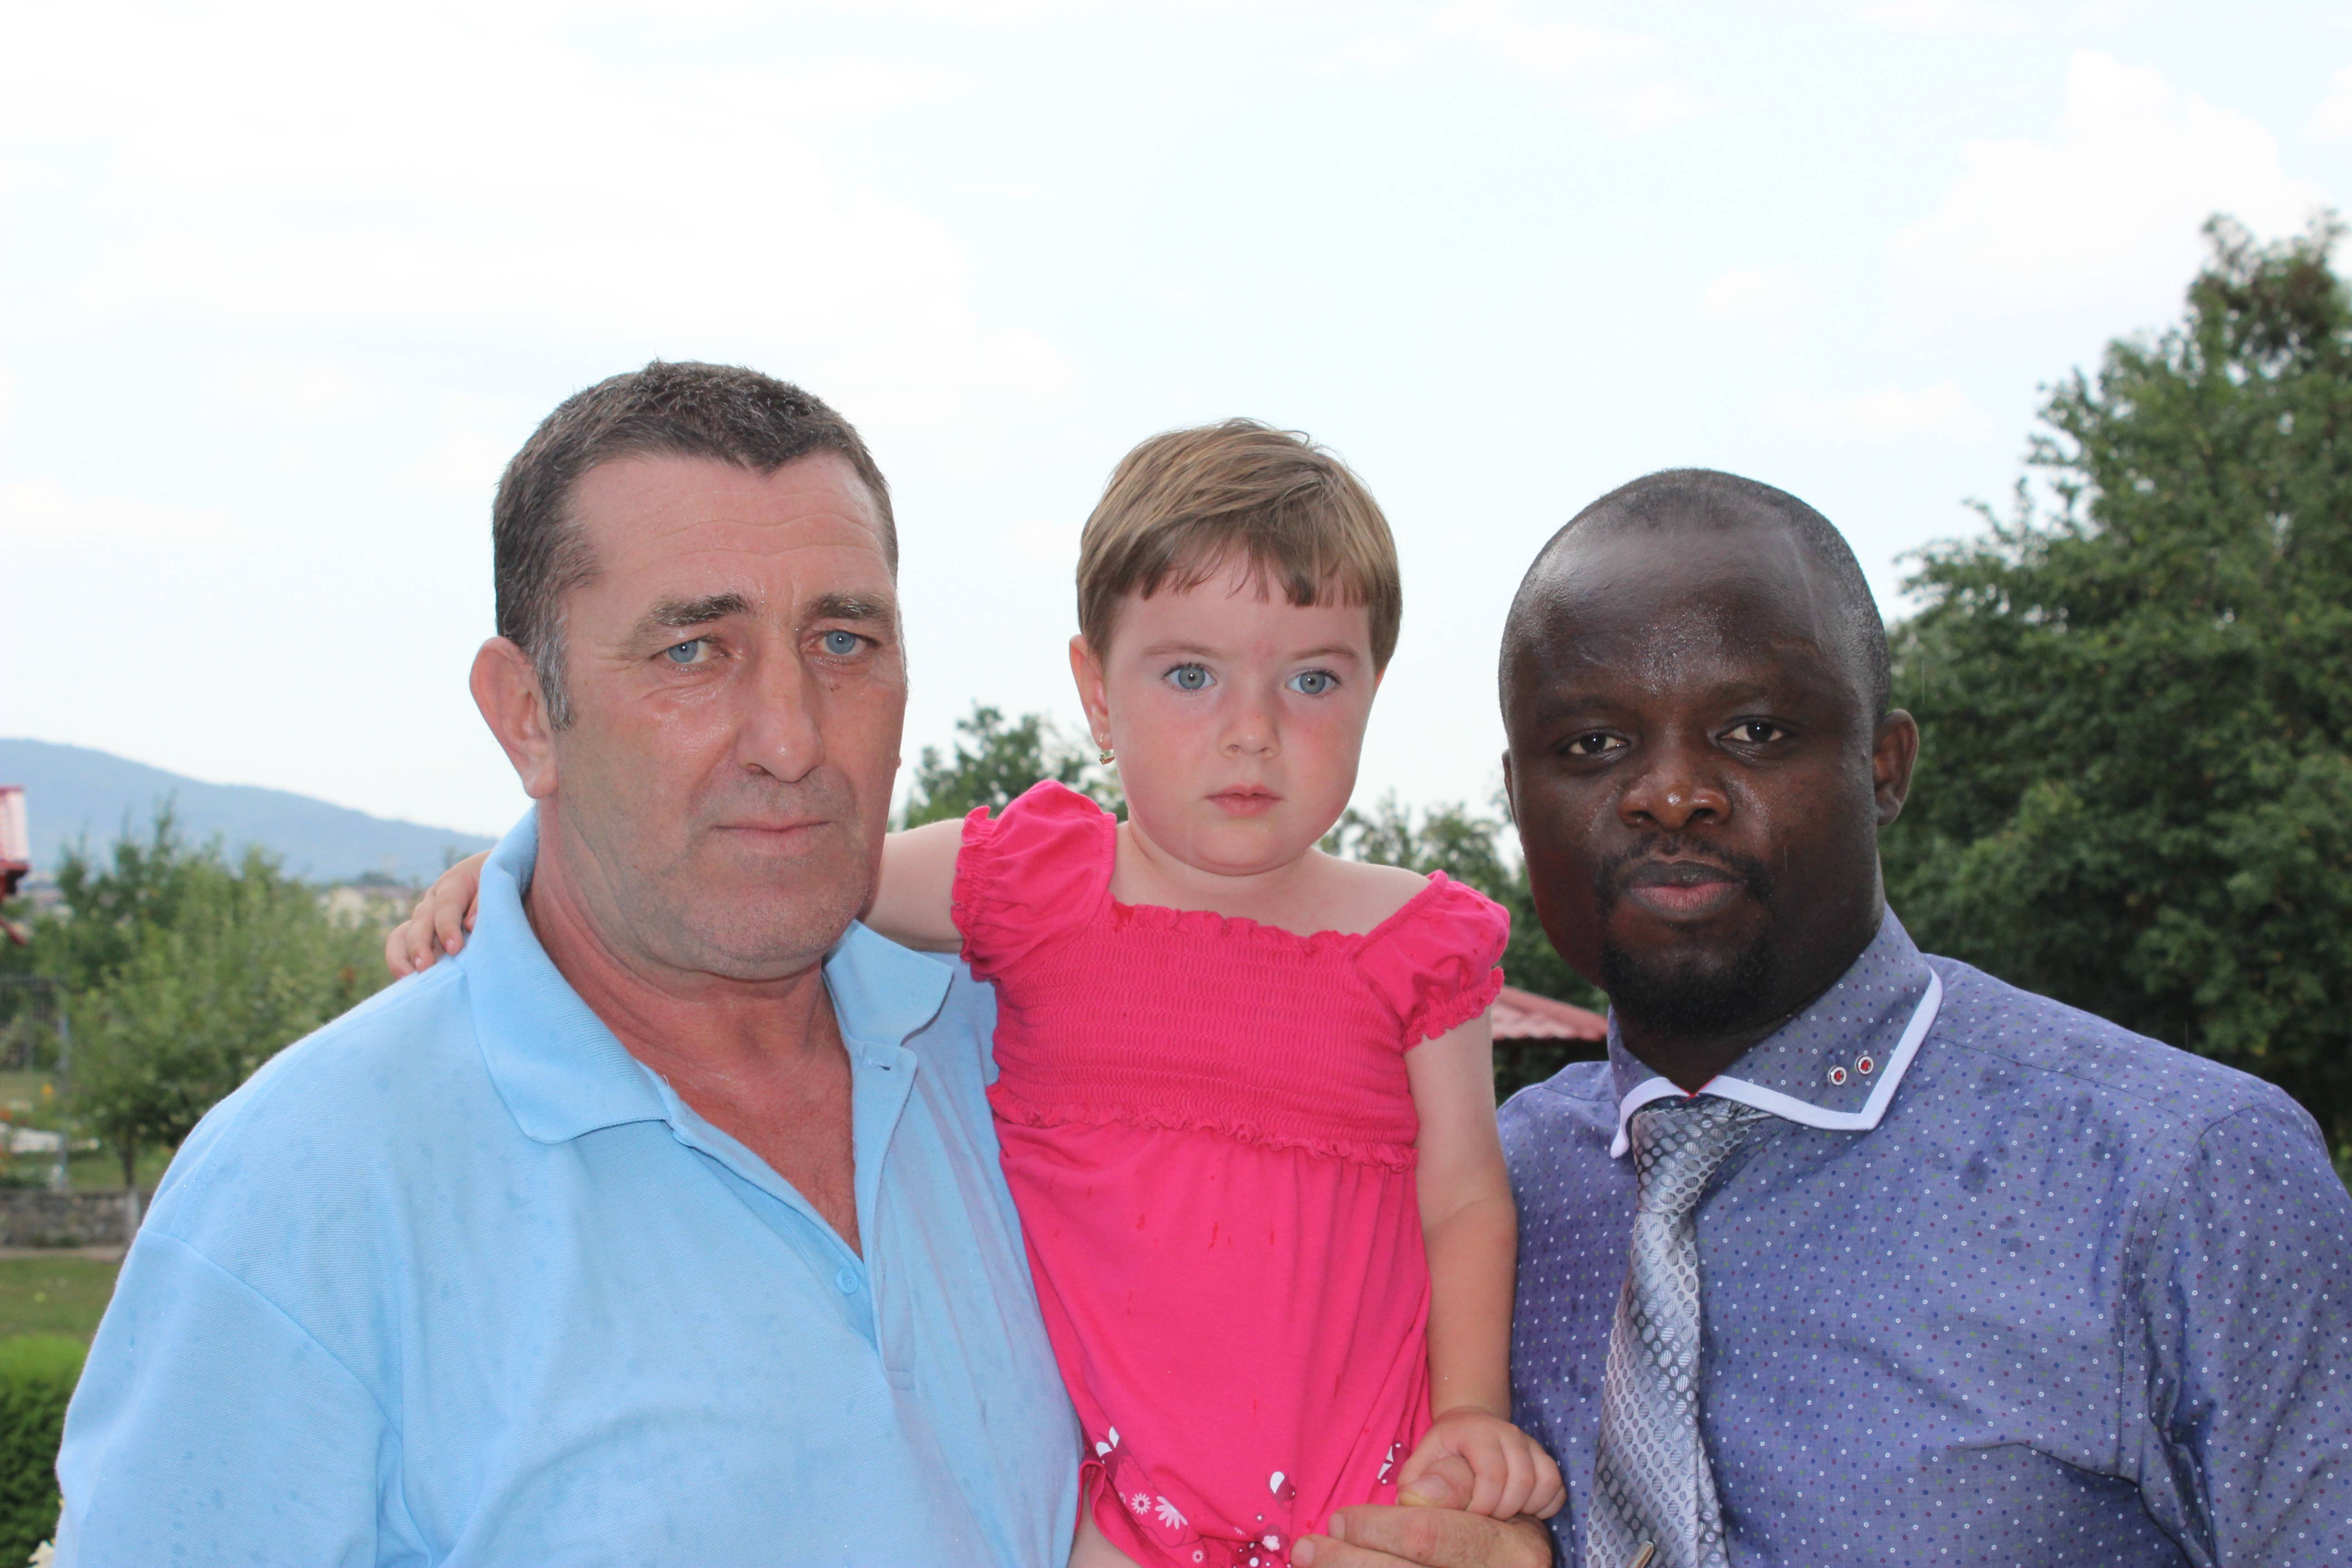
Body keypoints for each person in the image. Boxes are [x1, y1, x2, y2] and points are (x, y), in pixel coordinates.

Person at [389, 419, 1566, 1568]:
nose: (1251, 732)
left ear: (1374, 689)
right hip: (1105, 1510)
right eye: (1190, 675)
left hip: (1362, 1497)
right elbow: (778, 866)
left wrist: (1471, 1414)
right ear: (1096, 693)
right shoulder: (1031, 881)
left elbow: (1464, 1198)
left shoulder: (1419, 943)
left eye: (1312, 679)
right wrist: (531, 866)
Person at [53, 362, 1085, 1564]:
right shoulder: (306, 1194)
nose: (793, 738)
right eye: (694, 652)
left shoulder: (1038, 1054)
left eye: (843, 641)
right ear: (527, 714)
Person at [1492, 468, 2352, 1567]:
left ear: (1885, 767)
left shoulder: (2186, 1176)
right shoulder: (1474, 1199)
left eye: (1754, 730)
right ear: (1516, 795)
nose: (1670, 793)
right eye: (1593, 745)